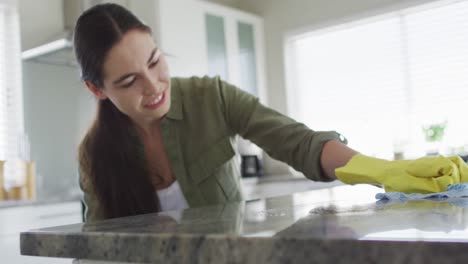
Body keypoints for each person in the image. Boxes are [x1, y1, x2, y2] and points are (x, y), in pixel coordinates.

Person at [76, 3, 468, 223]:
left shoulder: (210, 96)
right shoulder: (95, 153)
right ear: (98, 90)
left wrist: (382, 170)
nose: (154, 85)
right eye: (129, 82)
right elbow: (93, 245)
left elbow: (297, 142)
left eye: (156, 61)